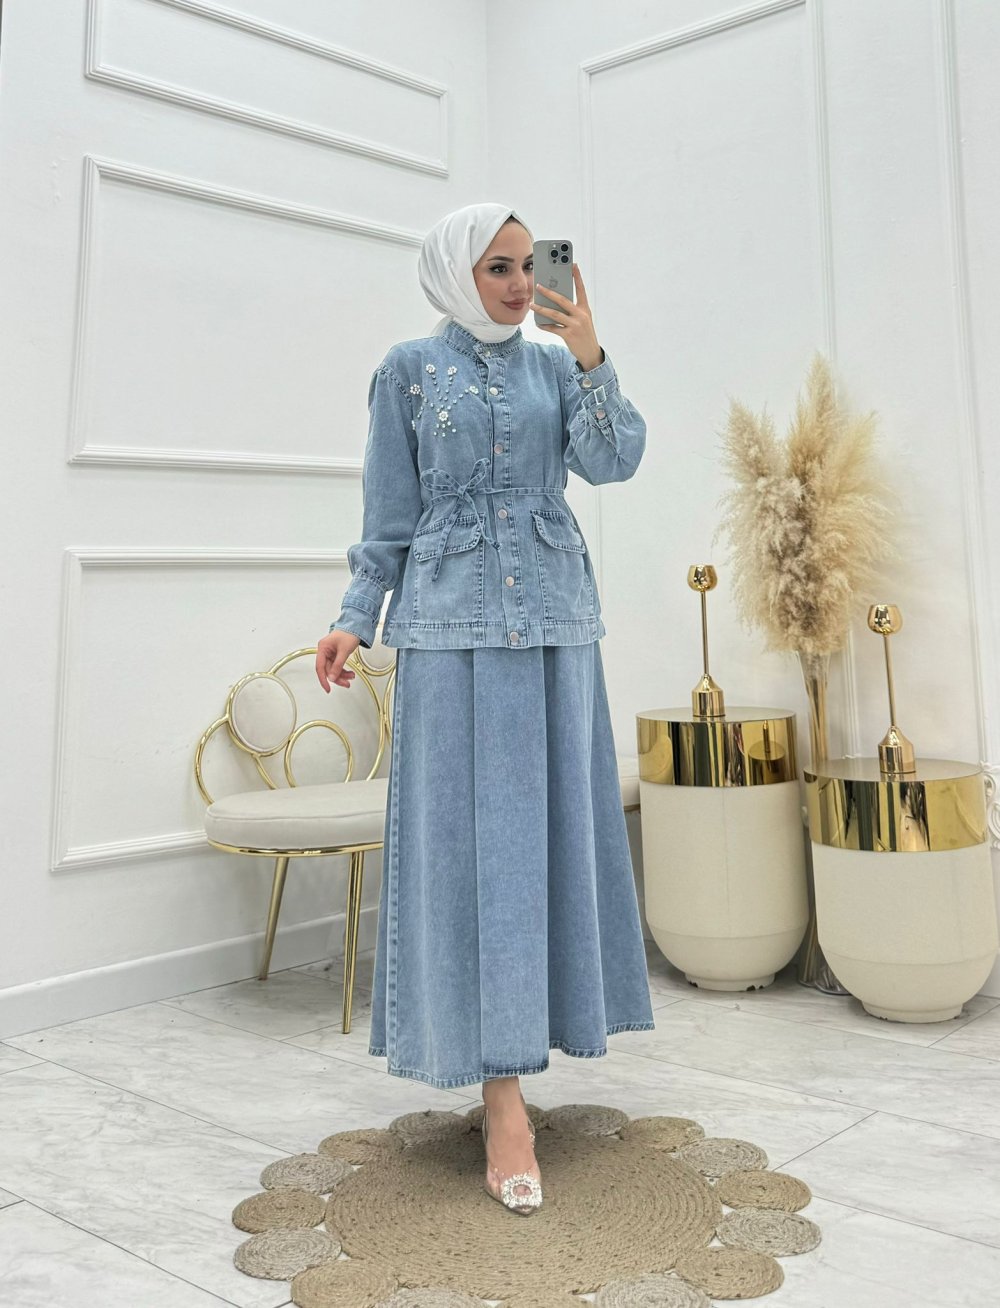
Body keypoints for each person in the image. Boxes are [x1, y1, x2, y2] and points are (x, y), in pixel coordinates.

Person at [314, 203, 654, 1215]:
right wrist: (353, 617)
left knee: (544, 849)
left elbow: (615, 460)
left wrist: (589, 353)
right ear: (455, 273)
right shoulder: (408, 372)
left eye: (527, 265)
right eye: (496, 267)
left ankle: (533, 1049)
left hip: (554, 629)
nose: (517, 283)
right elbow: (389, 516)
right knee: (467, 858)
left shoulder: (555, 366)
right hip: (448, 636)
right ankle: (502, 1100)